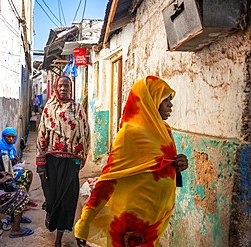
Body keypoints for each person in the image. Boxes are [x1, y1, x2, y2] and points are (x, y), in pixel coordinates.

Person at [74, 76, 189, 247]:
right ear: (151, 101)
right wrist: (84, 223)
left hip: (154, 224)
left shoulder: (164, 131)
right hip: (130, 223)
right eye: (165, 100)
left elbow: (158, 166)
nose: (170, 105)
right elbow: (108, 180)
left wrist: (178, 165)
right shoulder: (129, 134)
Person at [36, 75, 90, 247]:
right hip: (51, 160)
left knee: (67, 200)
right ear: (56, 87)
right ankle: (50, 214)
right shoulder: (48, 109)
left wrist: (79, 159)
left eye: (67, 86)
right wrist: (41, 164)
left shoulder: (77, 108)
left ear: (71, 88)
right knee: (52, 198)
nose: (63, 89)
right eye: (61, 85)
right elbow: (41, 135)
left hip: (70, 162)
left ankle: (59, 239)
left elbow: (85, 133)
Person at [0, 127, 38, 208]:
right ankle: (21, 200)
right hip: (2, 173)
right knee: (24, 177)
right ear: (4, 137)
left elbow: (10, 162)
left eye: (13, 137)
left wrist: (15, 162)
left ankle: (24, 198)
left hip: (10, 169)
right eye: (8, 137)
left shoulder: (11, 148)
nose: (11, 139)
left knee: (28, 174)